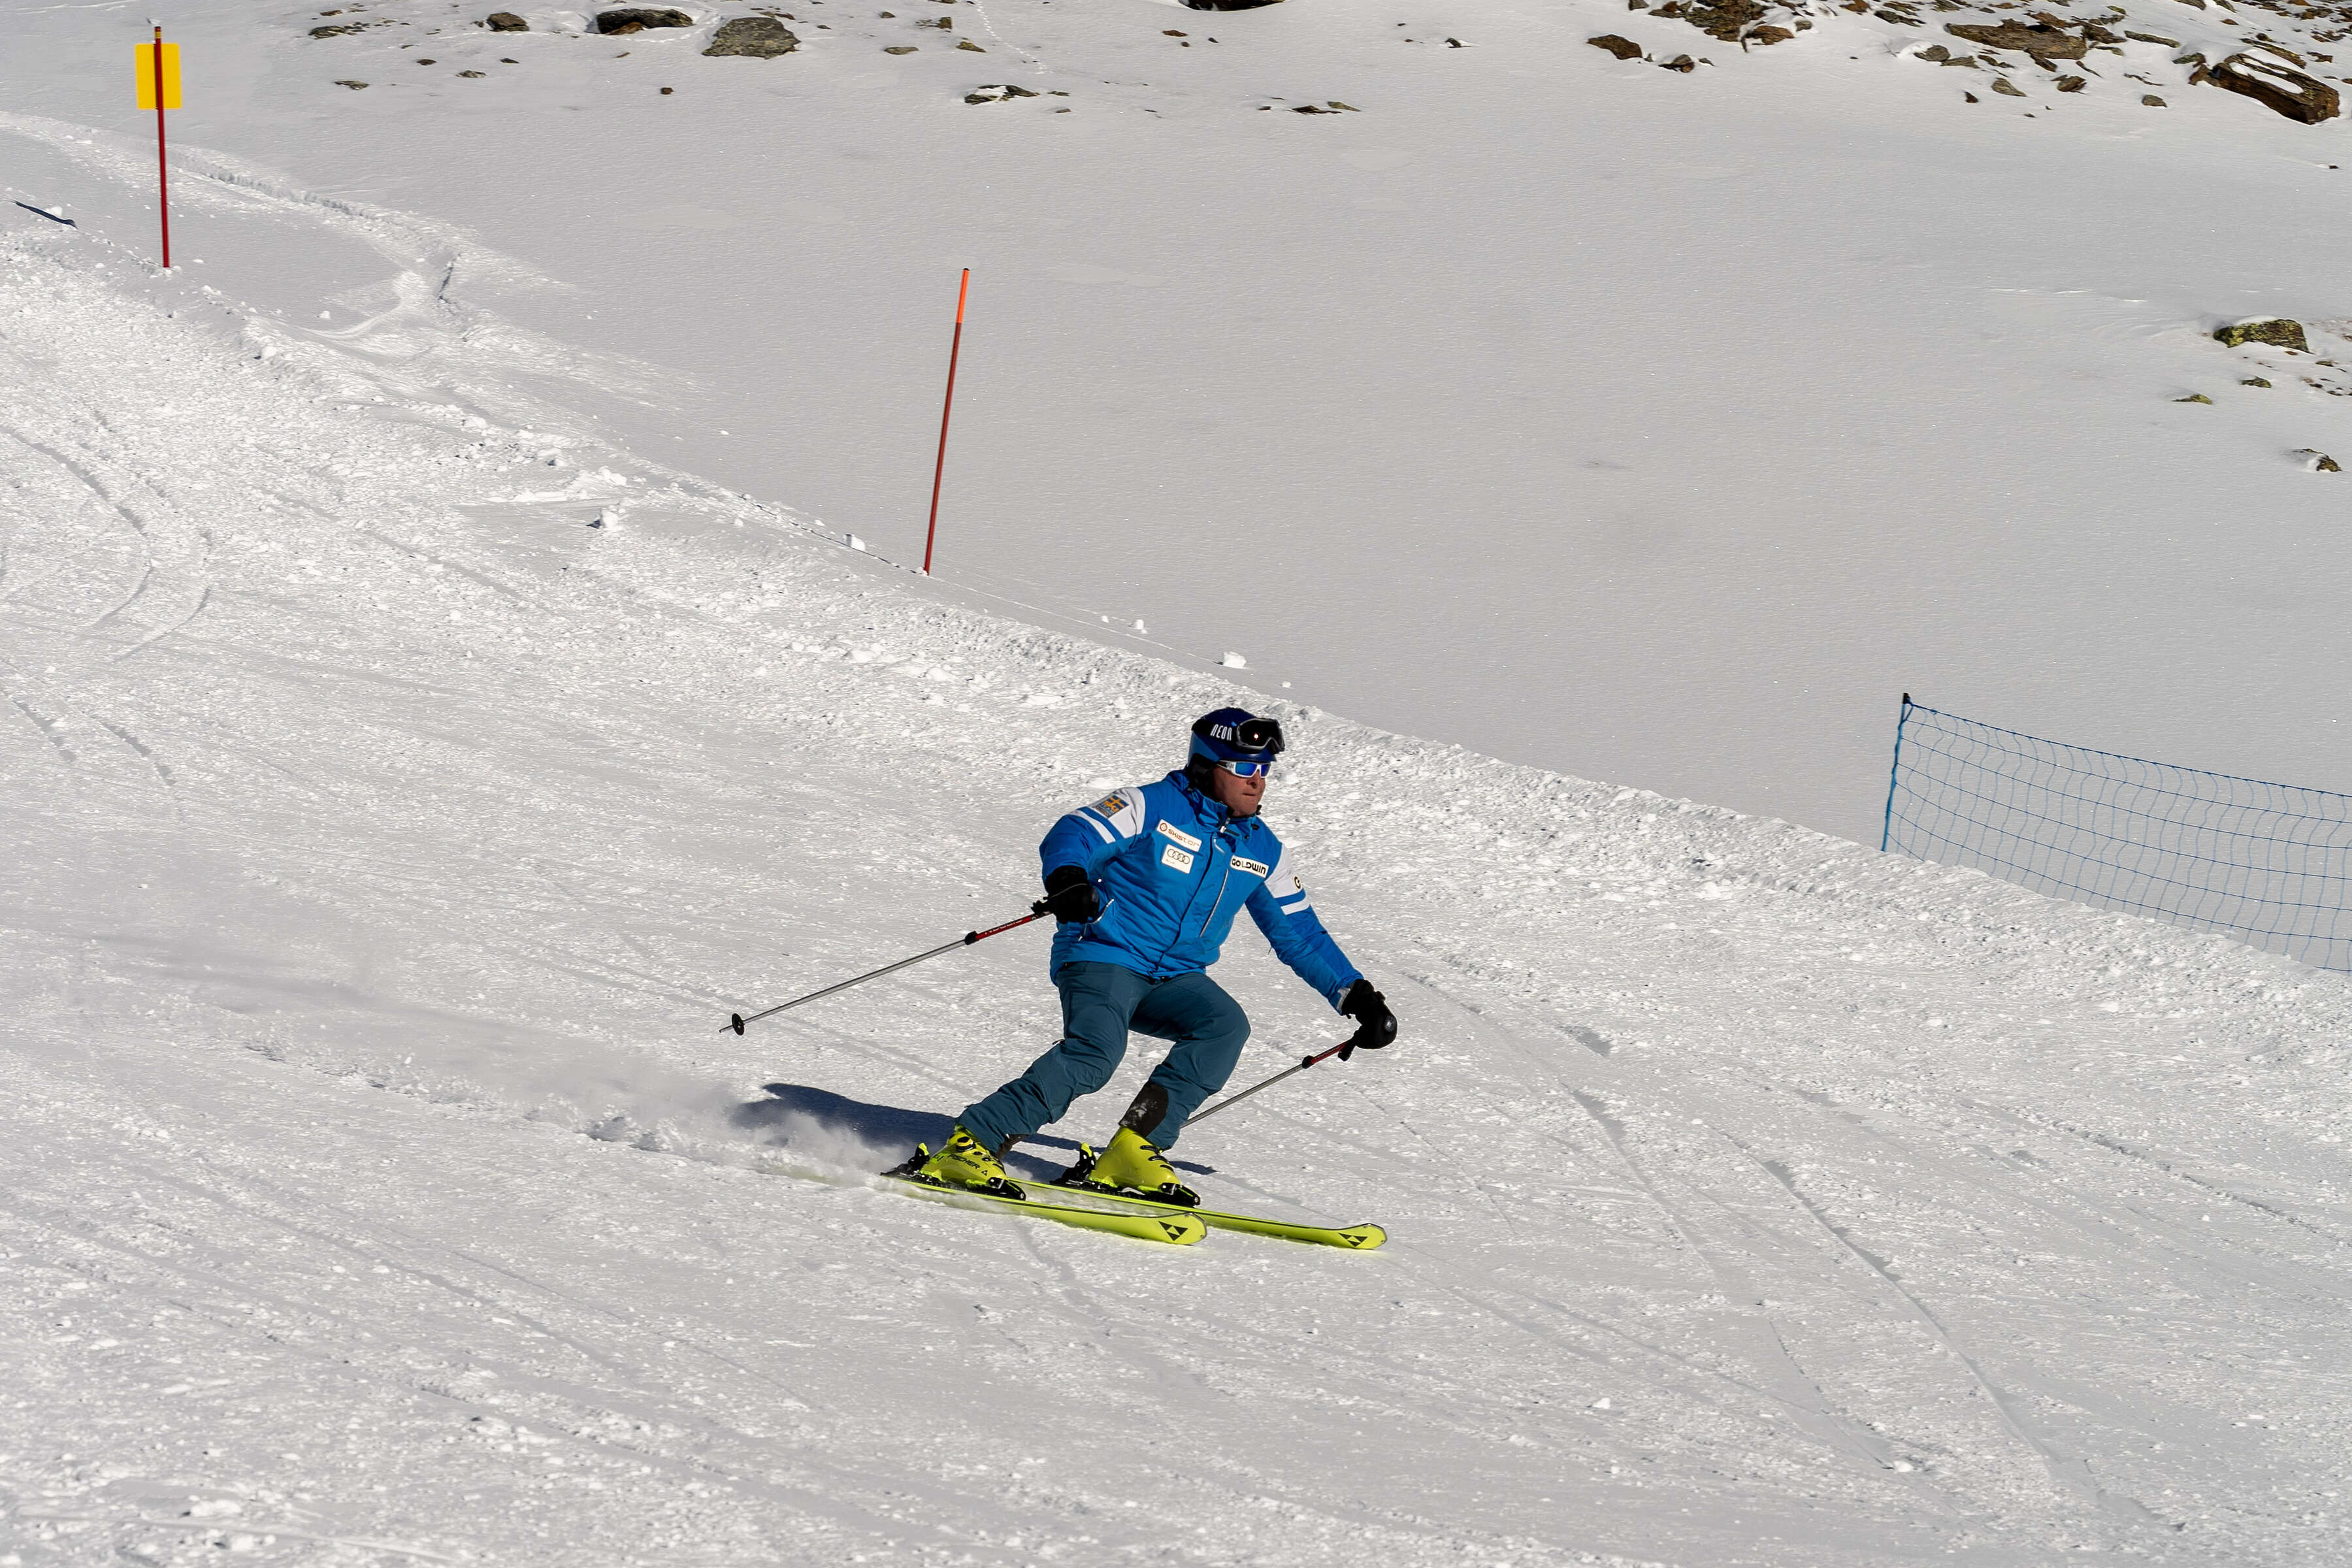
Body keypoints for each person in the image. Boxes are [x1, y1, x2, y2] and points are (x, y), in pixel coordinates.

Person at [905, 707, 1397, 1205]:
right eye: (1245, 768)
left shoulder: (1263, 850)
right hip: (1105, 953)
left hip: (1175, 977)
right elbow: (1075, 832)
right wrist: (1069, 879)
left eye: (1265, 770)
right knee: (1096, 1053)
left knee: (1224, 1026)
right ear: (1206, 765)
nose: (1258, 782)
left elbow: (1301, 934)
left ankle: (1134, 1149)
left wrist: (1355, 995)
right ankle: (974, 1141)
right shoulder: (1150, 806)